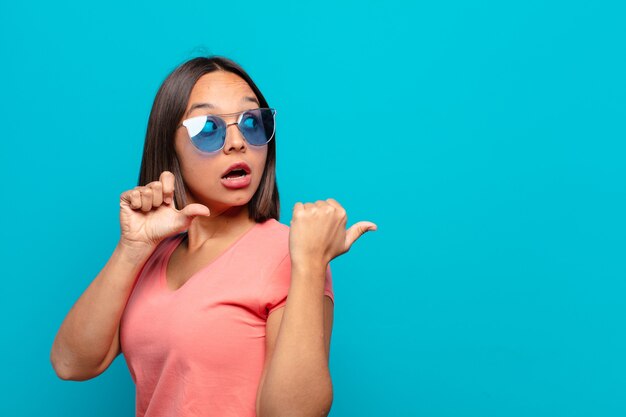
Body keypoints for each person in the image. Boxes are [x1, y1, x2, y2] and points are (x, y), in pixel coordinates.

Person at [50, 56, 377, 417]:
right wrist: (132, 249)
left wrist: (311, 265)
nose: (237, 142)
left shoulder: (293, 254)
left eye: (252, 123)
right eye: (208, 128)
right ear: (168, 145)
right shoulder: (154, 253)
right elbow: (71, 363)